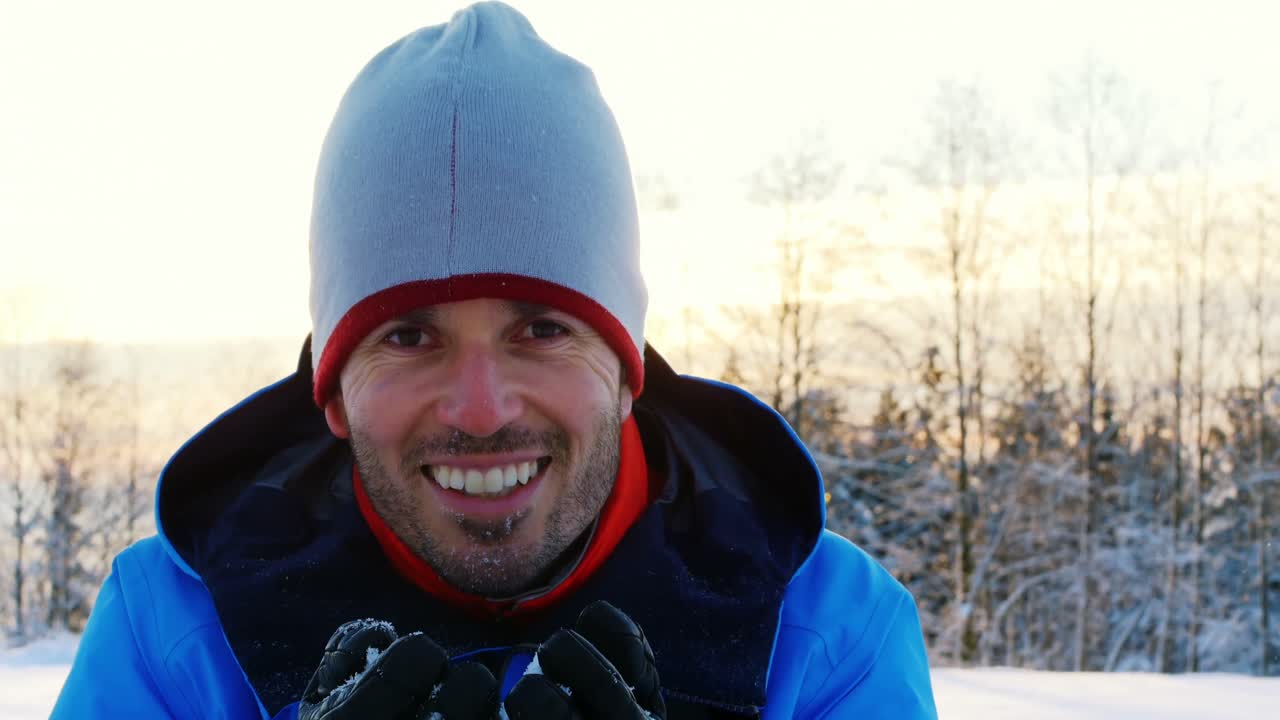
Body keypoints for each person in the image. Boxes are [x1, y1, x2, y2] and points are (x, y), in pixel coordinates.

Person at [53, 3, 937, 718]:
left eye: (543, 328)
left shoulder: (828, 636)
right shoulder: (172, 635)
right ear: (330, 390)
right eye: (408, 337)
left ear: (628, 368)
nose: (479, 409)